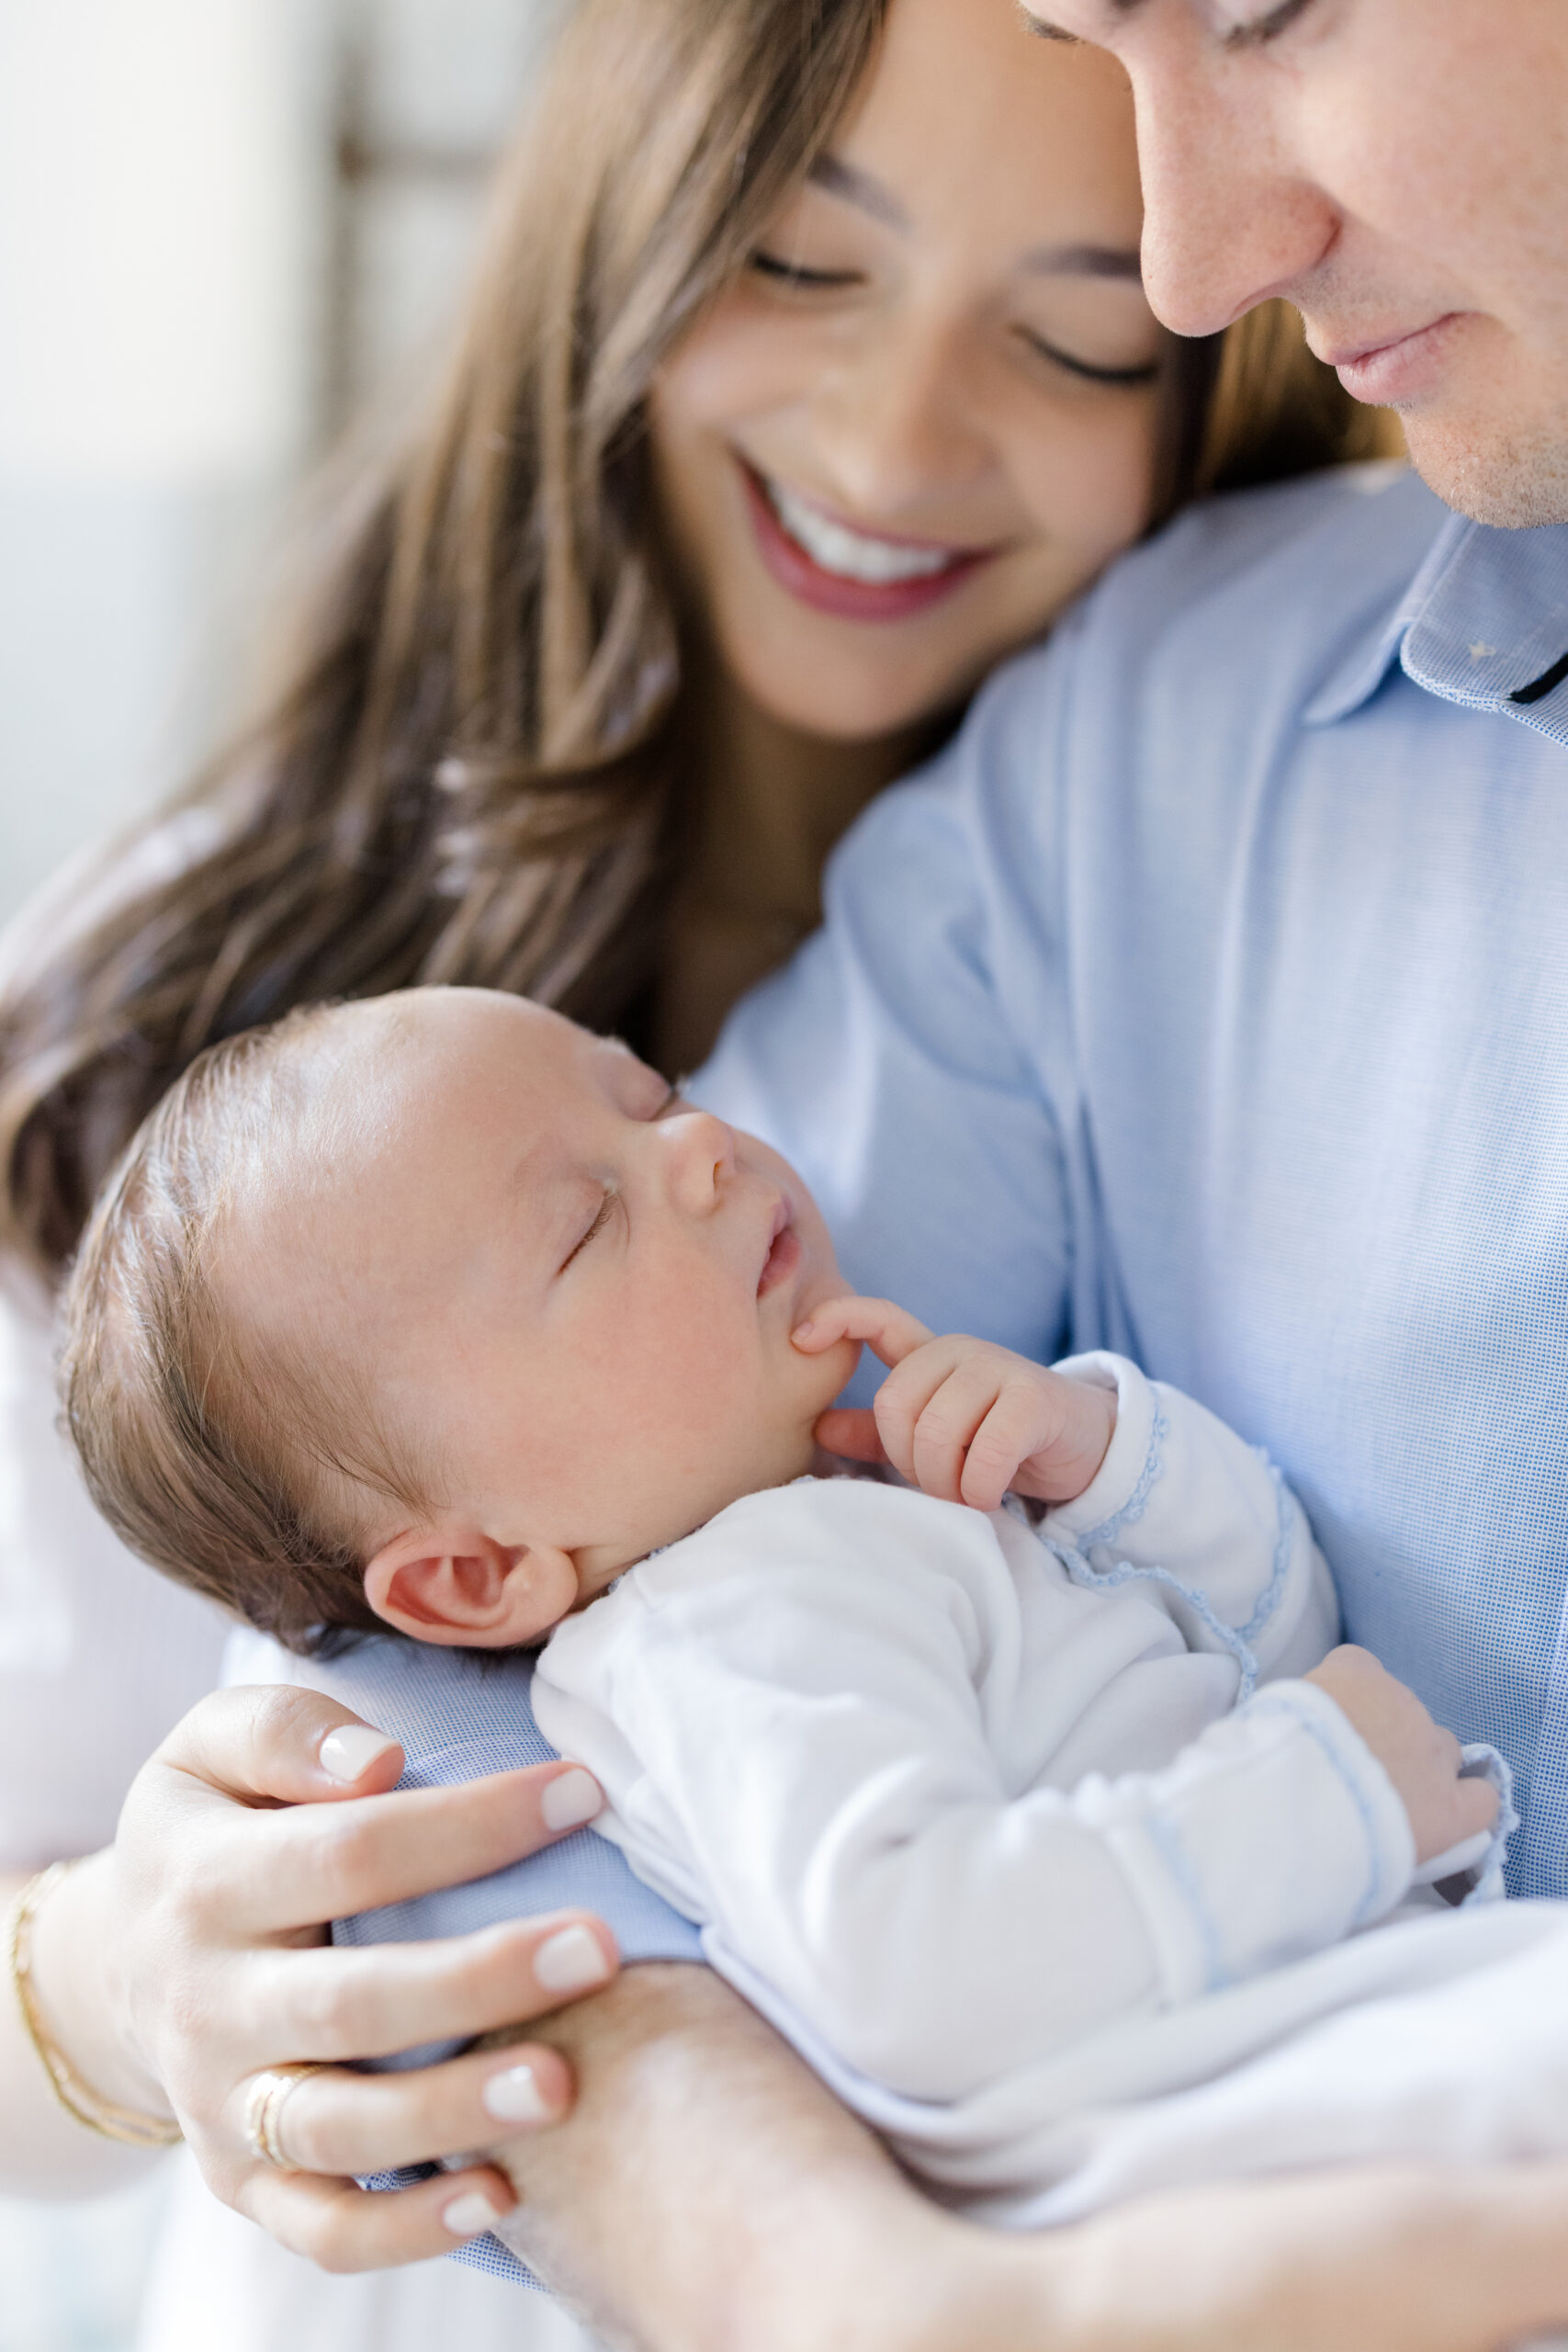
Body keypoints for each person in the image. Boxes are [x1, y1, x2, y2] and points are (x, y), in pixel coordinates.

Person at [0, 0, 1397, 2340]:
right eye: (797, 268)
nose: (895, 437)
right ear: (613, 244)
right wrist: (111, 1989)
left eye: (1073, 341)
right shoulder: (189, 1027)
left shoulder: (1205, 843)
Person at [66, 983, 1564, 2238]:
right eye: (588, 1226)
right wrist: (1322, 1793)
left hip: (1315, 2050)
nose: (704, 1147)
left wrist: (1102, 1461)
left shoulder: (846, 1525)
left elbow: (1273, 1648)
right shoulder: (729, 1635)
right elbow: (920, 1973)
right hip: (1206, 2142)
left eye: (649, 1097)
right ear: (476, 1576)